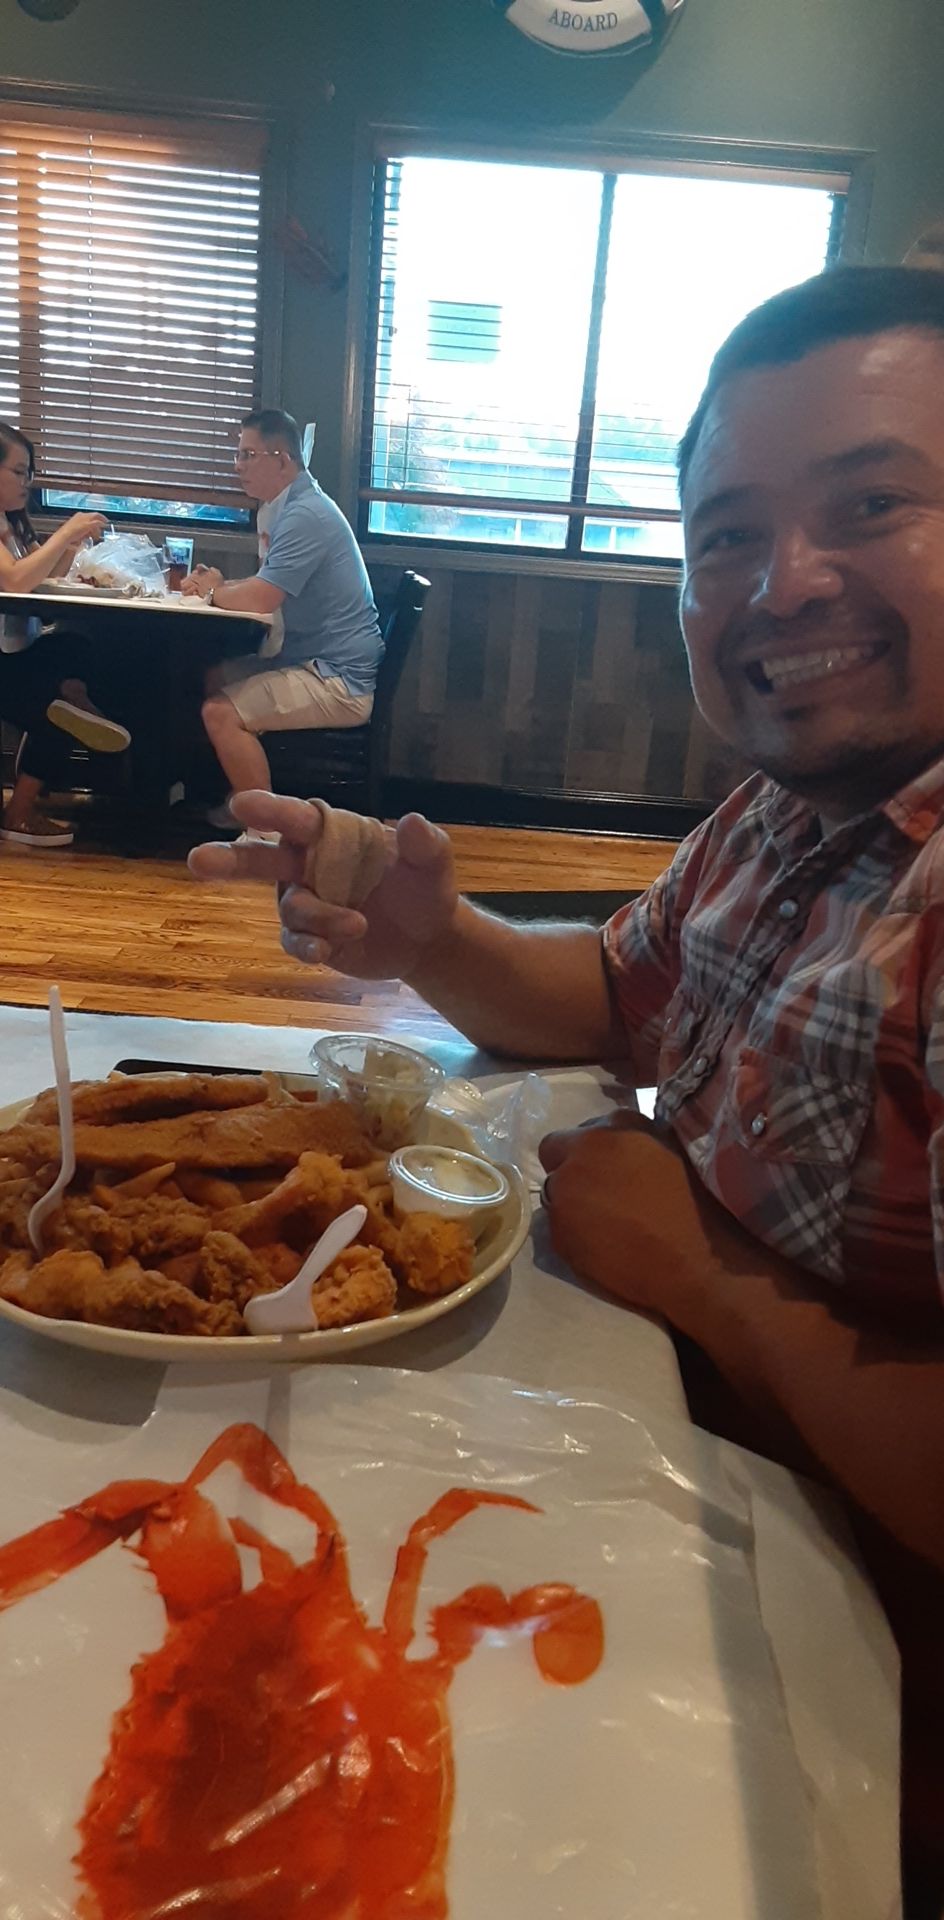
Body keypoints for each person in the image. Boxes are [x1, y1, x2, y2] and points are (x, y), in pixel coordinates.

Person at [192, 267, 944, 1912]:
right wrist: (432, 931)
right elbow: (610, 994)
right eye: (725, 535)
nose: (780, 583)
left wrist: (708, 1281)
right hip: (667, 1475)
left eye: (869, 504)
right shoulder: (776, 814)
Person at [181, 409, 383, 825]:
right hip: (313, 660)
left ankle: (265, 828)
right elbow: (266, 584)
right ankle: (241, 796)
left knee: (219, 712)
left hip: (338, 679)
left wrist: (214, 591)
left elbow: (262, 597)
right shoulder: (288, 507)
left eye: (248, 455)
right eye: (238, 454)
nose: (238, 466)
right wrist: (221, 587)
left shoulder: (305, 515)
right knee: (214, 678)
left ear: (283, 460)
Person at [0, 422, 130, 848]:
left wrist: (76, 551)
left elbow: (39, 569)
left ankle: (76, 699)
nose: (26, 481)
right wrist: (66, 532)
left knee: (78, 644)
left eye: (29, 473)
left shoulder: (10, 524)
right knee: (51, 710)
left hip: (15, 650)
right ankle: (18, 815)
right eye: (18, 471)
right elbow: (15, 580)